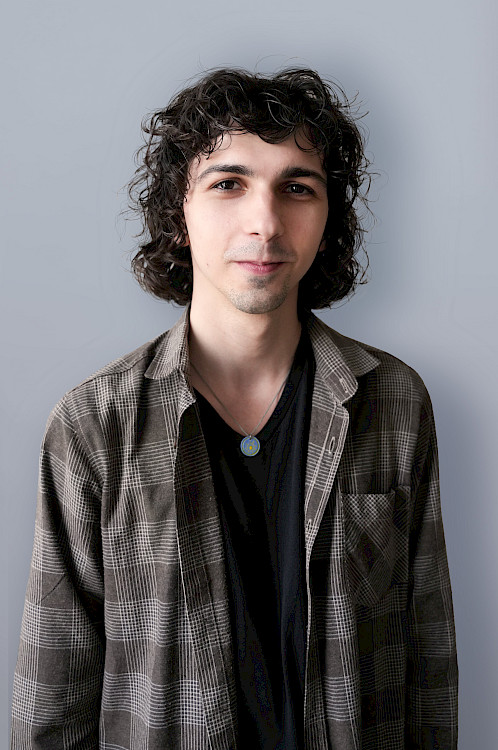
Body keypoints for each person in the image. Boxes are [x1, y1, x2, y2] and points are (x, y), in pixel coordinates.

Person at [11, 68, 458, 749]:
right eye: (228, 183)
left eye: (297, 188)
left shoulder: (395, 401)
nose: (265, 223)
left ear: (328, 217)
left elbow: (428, 667)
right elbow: (54, 699)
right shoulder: (93, 425)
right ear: (178, 213)